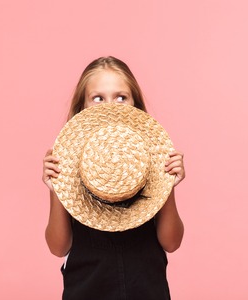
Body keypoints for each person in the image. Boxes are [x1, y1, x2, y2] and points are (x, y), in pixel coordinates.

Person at [42, 56, 185, 300]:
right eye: (98, 98)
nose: (111, 105)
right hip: (86, 288)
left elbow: (171, 243)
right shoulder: (64, 161)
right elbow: (58, 247)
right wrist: (56, 188)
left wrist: (166, 184)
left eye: (121, 96)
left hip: (147, 287)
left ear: (134, 104)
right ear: (82, 108)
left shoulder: (154, 158)